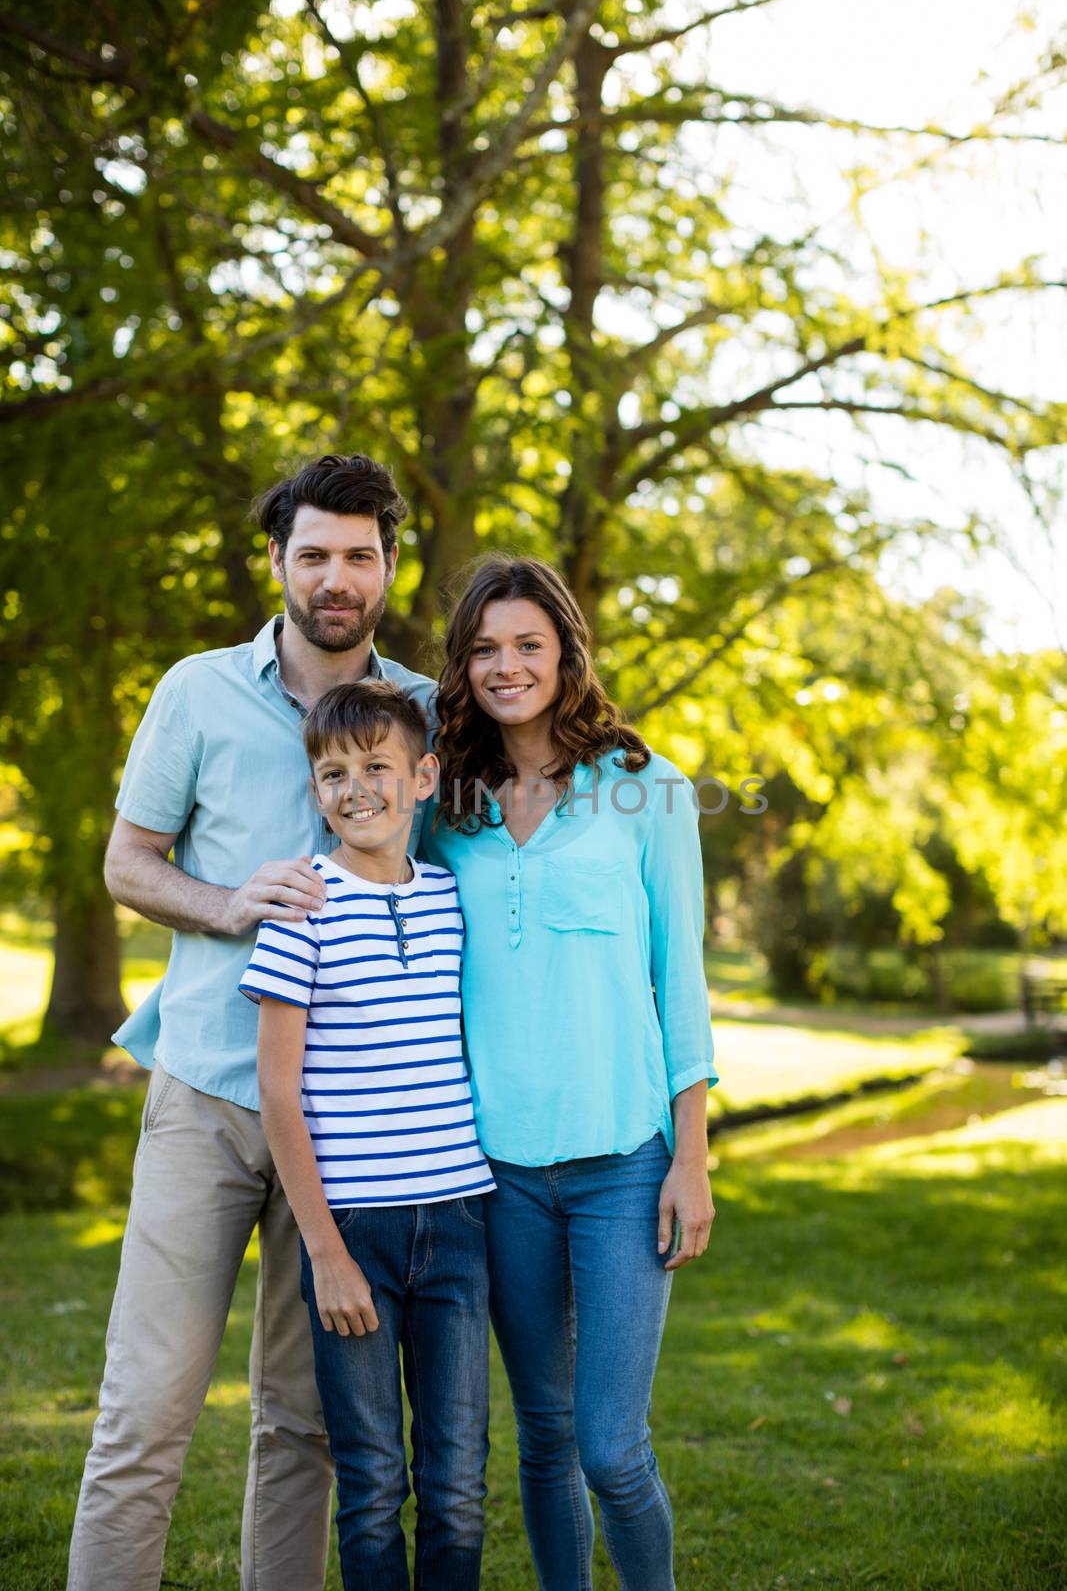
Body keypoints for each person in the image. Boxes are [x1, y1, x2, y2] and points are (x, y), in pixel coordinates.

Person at [68, 454, 436, 1591]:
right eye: (314, 552)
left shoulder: (424, 712)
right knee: (144, 1412)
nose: (337, 576)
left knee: (302, 1425)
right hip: (207, 1096)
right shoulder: (194, 690)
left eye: (359, 555)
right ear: (275, 558)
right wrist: (224, 905)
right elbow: (129, 861)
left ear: (386, 566)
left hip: (348, 1131)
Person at [422, 555, 718, 1591]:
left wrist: (692, 1157)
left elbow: (678, 982)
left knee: (609, 1447)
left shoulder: (647, 788)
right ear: (460, 666)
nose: (505, 665)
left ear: (565, 653)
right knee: (541, 1439)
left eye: (526, 644)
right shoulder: (443, 805)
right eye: (483, 648)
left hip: (624, 1166)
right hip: (493, 1173)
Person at [240, 679, 494, 1591]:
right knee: (375, 1479)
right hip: (353, 1232)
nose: (357, 789)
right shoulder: (303, 910)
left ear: (423, 778)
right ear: (315, 791)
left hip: (461, 1225)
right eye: (334, 773)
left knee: (458, 1482)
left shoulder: (451, 899)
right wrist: (326, 1252)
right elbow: (277, 1092)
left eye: (377, 767)